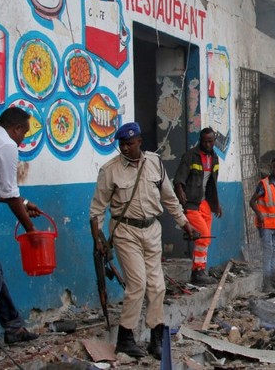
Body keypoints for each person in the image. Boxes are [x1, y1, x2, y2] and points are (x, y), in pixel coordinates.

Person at [89, 122, 197, 360]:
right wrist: (97, 239)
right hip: (125, 231)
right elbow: (97, 210)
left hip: (152, 231)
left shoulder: (155, 163)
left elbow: (169, 198)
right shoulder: (110, 170)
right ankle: (125, 338)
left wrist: (184, 222)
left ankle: (156, 338)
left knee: (157, 286)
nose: (125, 148)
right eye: (121, 145)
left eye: (129, 144)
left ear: (139, 142)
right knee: (137, 284)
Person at [0, 107, 42, 366]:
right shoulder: (6, 145)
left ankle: (13, 326)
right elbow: (10, 193)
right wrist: (31, 230)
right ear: (15, 128)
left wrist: (25, 202)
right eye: (23, 134)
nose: (23, 140)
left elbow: (2, 191)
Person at [174, 127, 222, 285]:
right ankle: (198, 272)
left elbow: (212, 183)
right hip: (192, 203)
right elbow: (179, 179)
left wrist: (216, 204)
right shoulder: (190, 156)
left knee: (206, 238)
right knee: (203, 237)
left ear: (214, 141)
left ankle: (201, 269)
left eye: (211, 141)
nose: (208, 145)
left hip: (205, 203)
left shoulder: (214, 158)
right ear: (200, 141)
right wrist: (181, 194)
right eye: (205, 141)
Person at [249, 157, 275, 292]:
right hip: (265, 225)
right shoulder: (263, 184)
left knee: (274, 252)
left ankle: (273, 279)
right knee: (268, 252)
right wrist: (259, 215)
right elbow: (252, 201)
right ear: (271, 168)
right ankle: (266, 283)